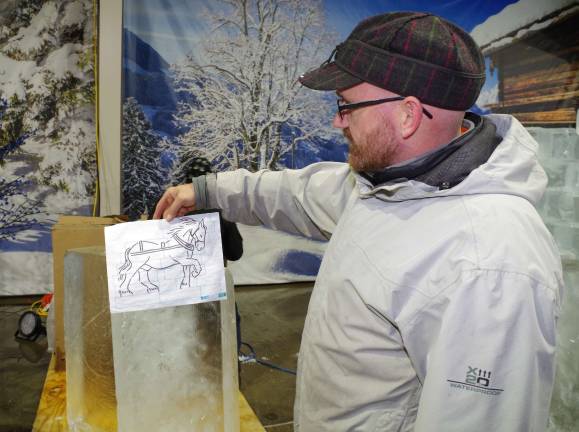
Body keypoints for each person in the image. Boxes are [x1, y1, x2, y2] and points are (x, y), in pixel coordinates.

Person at [154, 12, 564, 432]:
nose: (337, 121)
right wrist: (206, 191)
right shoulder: (389, 185)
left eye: (346, 105)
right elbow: (298, 193)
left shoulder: (490, 264)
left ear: (408, 114)